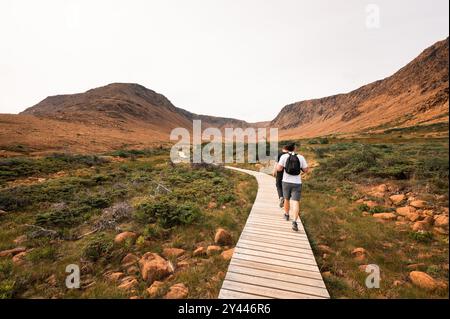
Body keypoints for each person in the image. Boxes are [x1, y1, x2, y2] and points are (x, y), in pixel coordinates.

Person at [277, 143, 309, 231]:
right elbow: (306, 170)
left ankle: (286, 215)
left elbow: (278, 169)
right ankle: (294, 222)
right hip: (297, 183)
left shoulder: (284, 157)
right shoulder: (301, 157)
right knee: (295, 202)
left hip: (286, 182)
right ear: (294, 149)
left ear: (287, 149)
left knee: (286, 199)